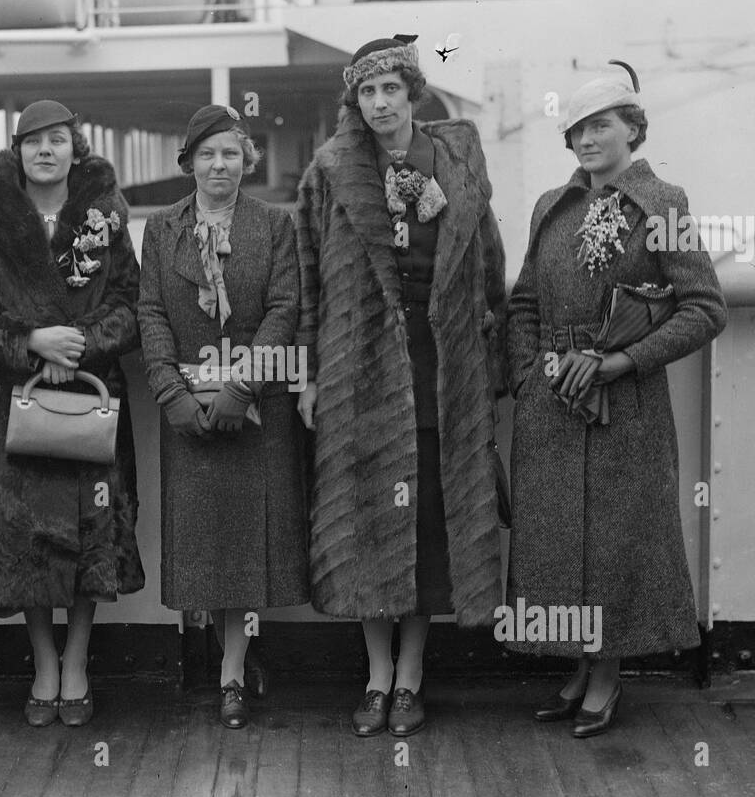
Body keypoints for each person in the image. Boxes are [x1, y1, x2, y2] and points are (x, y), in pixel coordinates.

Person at [295, 37, 508, 737]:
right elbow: (306, 284)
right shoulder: (330, 172)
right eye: (367, 92)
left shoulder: (455, 160)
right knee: (365, 523)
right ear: (353, 102)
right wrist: (306, 374)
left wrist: (491, 354)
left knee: (425, 528)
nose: (381, 103)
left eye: (392, 89)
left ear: (412, 93)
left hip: (441, 370)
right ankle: (375, 673)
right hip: (358, 372)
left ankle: (411, 676)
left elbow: (489, 266)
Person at [506, 61, 727, 737]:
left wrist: (620, 360)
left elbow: (704, 308)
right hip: (552, 404)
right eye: (575, 129)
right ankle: (577, 663)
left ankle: (606, 676)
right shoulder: (553, 206)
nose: (586, 139)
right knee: (558, 542)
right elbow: (521, 304)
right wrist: (533, 374)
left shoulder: (664, 203)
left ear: (632, 127)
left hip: (624, 406)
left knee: (612, 544)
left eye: (600, 124)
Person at [0, 100, 144, 728]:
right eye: (33, 141)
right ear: (17, 151)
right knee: (25, 536)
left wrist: (80, 343)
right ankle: (43, 661)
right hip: (17, 400)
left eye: (57, 140)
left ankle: (78, 662)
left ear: (75, 148)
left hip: (89, 393)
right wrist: (32, 342)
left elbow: (128, 299)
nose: (45, 151)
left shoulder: (106, 214)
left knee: (92, 531)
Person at [138, 104, 308, 729]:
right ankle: (212, 658)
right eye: (207, 154)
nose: (219, 165)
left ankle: (233, 672)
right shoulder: (161, 230)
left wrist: (243, 386)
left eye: (231, 154)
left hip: (254, 409)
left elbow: (285, 308)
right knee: (203, 541)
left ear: (247, 162)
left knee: (243, 544)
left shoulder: (274, 226)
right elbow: (151, 311)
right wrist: (171, 392)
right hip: (186, 406)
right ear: (188, 163)